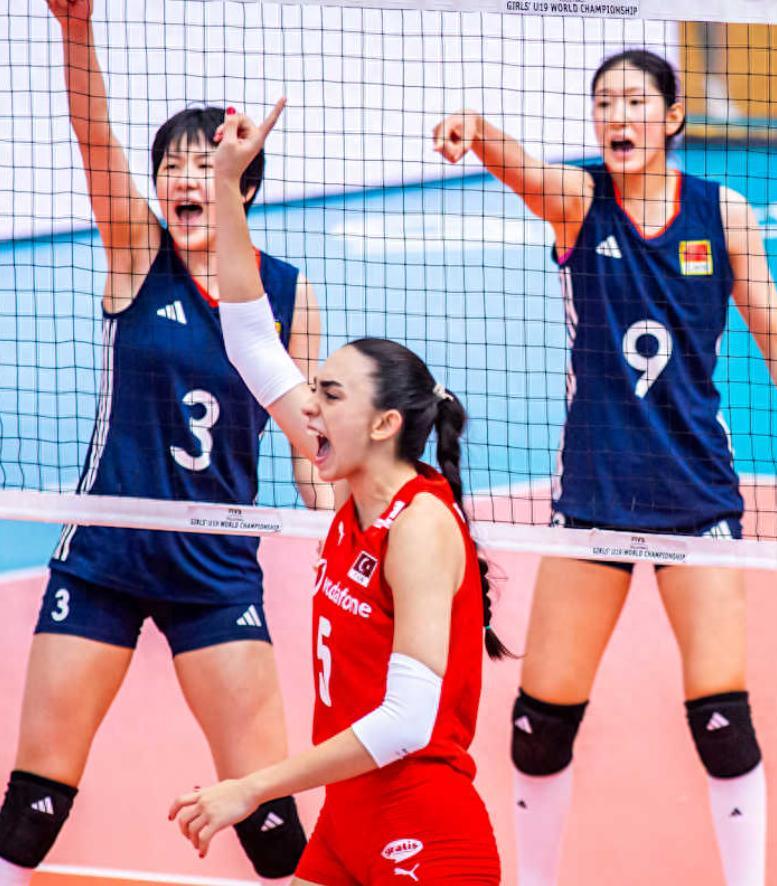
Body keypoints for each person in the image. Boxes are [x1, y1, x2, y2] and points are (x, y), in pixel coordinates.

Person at [432, 49, 777, 886]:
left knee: (722, 722)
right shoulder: (581, 202)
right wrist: (479, 132)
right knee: (539, 726)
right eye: (604, 104)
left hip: (696, 493)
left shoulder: (723, 214)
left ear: (672, 116)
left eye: (634, 103)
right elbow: (525, 173)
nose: (617, 118)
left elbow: (771, 327)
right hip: (596, 496)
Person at [0, 3, 325, 880]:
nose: (183, 179)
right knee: (31, 810)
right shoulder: (137, 252)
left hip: (215, 565)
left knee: (270, 822)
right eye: (170, 166)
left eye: (203, 166)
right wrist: (75, 31)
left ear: (241, 186)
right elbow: (92, 136)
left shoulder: (288, 293)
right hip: (105, 555)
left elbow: (309, 448)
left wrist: (341, 508)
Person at [169, 102, 506, 883]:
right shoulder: (349, 493)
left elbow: (407, 723)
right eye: (311, 391)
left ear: (385, 424)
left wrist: (251, 787)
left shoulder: (419, 526)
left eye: (328, 394)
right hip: (348, 822)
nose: (308, 407)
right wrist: (227, 185)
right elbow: (252, 343)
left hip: (424, 832)